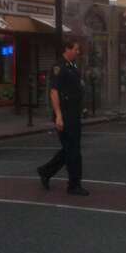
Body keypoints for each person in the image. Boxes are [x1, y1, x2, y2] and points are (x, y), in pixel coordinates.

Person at [37, 39, 89, 196]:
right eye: (76, 49)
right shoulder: (58, 67)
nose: (78, 52)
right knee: (73, 150)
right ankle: (74, 185)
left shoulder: (72, 66)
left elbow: (76, 89)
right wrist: (58, 116)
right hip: (65, 114)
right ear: (67, 49)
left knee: (70, 149)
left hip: (74, 113)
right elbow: (54, 92)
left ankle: (45, 171)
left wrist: (83, 107)